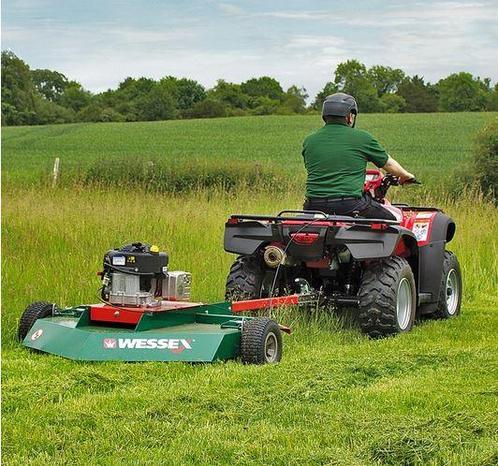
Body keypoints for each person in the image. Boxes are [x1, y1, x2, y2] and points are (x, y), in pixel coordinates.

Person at [302, 92, 414, 220]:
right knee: (393, 220)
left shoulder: (309, 141)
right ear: (349, 116)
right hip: (349, 205)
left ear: (325, 116)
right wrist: (405, 175)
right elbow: (388, 164)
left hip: (312, 206)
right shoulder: (362, 138)